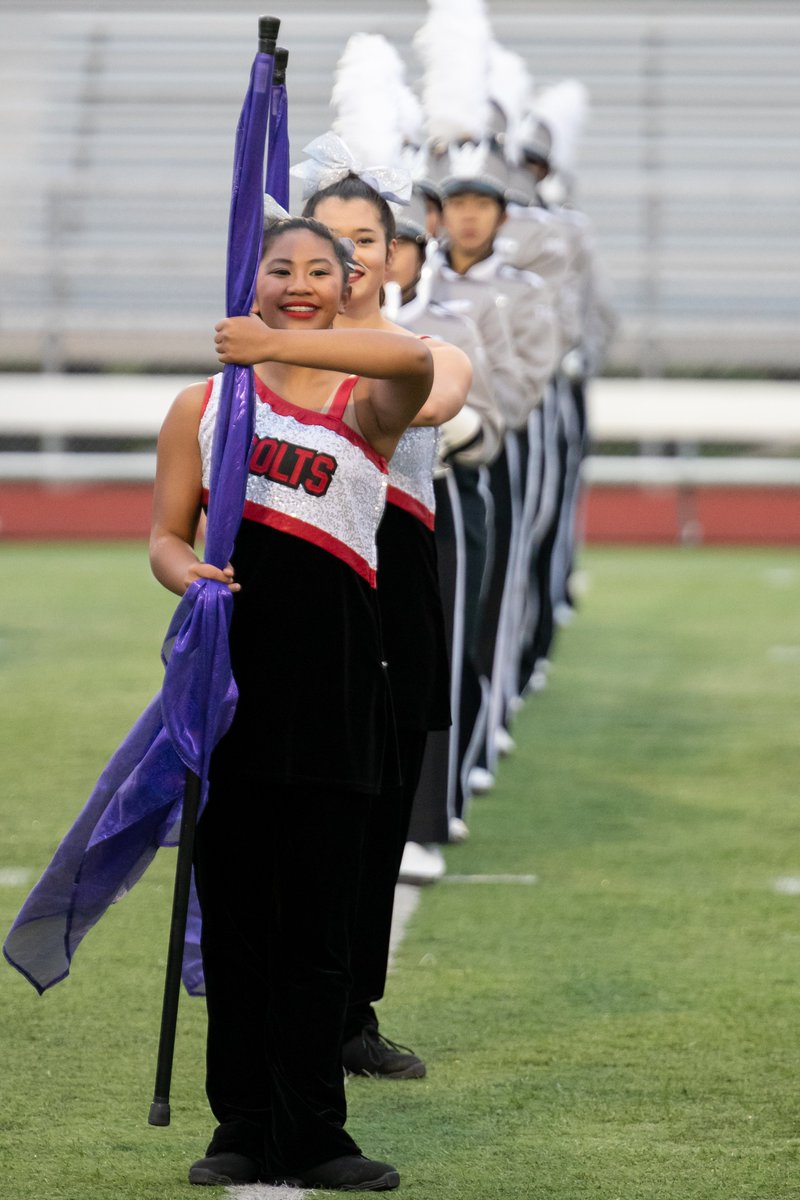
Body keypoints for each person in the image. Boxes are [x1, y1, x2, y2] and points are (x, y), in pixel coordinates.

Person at [149, 216, 433, 1190]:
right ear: (250, 276)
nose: (301, 283)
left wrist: (270, 344)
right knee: (235, 923)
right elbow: (162, 535)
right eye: (281, 270)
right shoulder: (203, 404)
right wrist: (188, 574)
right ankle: (241, 1124)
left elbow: (413, 356)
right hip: (228, 696)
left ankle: (317, 1132)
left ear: (353, 281)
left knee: (317, 930)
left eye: (322, 270)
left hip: (338, 693)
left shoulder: (368, 405)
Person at [301, 171, 471, 1079]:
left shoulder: (426, 349)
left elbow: (431, 396)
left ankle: (351, 1014)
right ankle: (286, 1011)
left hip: (394, 594)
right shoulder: (267, 360)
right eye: (327, 241)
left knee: (377, 820)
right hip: (304, 597)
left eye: (365, 239)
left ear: (393, 251)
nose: (349, 257)